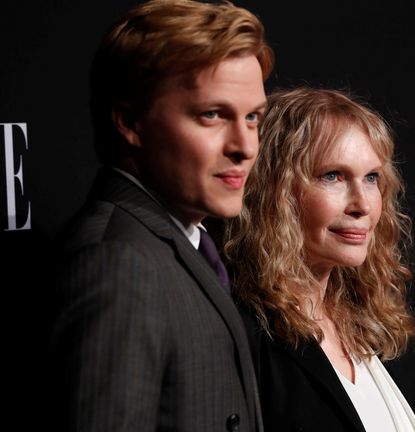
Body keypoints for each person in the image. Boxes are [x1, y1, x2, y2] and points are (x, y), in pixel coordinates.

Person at [49, 1, 273, 431]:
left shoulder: (177, 243)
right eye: (212, 114)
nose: (244, 146)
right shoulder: (118, 265)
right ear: (130, 121)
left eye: (252, 118)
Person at [223, 87, 415, 432]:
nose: (362, 204)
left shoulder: (354, 320)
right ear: (276, 192)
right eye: (333, 176)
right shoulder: (245, 334)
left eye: (371, 178)